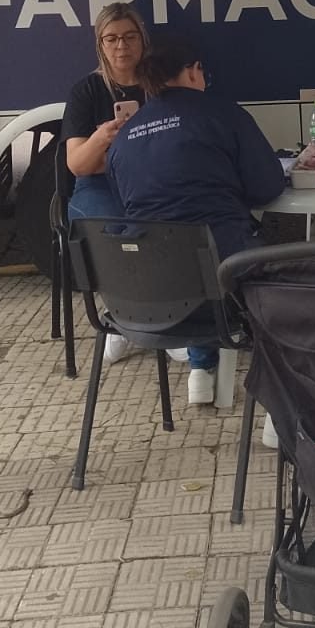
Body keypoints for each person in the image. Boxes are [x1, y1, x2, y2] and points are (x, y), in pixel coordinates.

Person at [104, 33, 287, 404]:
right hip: (224, 290)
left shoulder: (124, 139)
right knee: (242, 262)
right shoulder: (224, 114)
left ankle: (201, 374)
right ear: (193, 71)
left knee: (192, 254)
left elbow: (128, 201)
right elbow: (267, 187)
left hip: (150, 297)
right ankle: (277, 415)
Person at [62, 3, 148, 222]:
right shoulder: (86, 90)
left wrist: (105, 159)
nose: (122, 45)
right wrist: (101, 138)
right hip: (99, 184)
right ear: (100, 44)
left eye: (130, 36)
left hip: (152, 179)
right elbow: (78, 165)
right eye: (111, 39)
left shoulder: (159, 86)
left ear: (142, 39)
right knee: (110, 232)